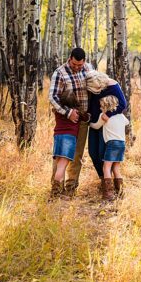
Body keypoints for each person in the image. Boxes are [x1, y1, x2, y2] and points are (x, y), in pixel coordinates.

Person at [48, 47, 93, 197]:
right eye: (74, 64)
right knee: (61, 155)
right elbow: (53, 97)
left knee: (77, 154)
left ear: (84, 61)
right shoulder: (60, 73)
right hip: (67, 120)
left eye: (80, 65)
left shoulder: (88, 69)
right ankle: (56, 188)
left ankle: (71, 187)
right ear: (70, 59)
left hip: (83, 120)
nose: (77, 67)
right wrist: (68, 113)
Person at [85, 71, 129, 196]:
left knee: (102, 155)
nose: (97, 91)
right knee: (93, 152)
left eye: (98, 88)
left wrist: (107, 116)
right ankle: (105, 180)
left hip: (105, 124)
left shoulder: (112, 85)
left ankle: (107, 186)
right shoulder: (91, 86)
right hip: (96, 122)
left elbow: (122, 105)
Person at [89, 96, 130, 201]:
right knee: (116, 168)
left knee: (106, 168)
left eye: (102, 106)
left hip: (111, 144)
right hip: (121, 144)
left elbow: (96, 126)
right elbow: (127, 122)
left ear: (104, 106)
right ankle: (120, 192)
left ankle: (108, 194)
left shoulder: (104, 116)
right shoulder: (121, 116)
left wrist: (89, 123)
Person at [50, 89, 88, 198]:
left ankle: (56, 190)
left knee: (58, 165)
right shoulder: (77, 113)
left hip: (58, 138)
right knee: (62, 167)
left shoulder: (58, 111)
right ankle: (55, 193)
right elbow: (86, 117)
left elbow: (55, 107)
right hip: (69, 140)